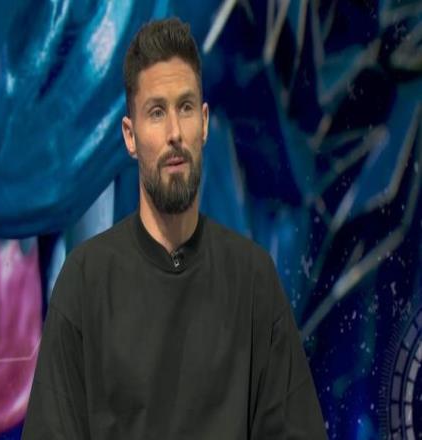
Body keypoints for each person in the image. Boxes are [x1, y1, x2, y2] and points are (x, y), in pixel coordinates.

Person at [22, 17, 327, 439]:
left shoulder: (253, 279)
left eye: (184, 108)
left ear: (203, 123)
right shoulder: (84, 282)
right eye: (156, 112)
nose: (174, 134)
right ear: (129, 135)